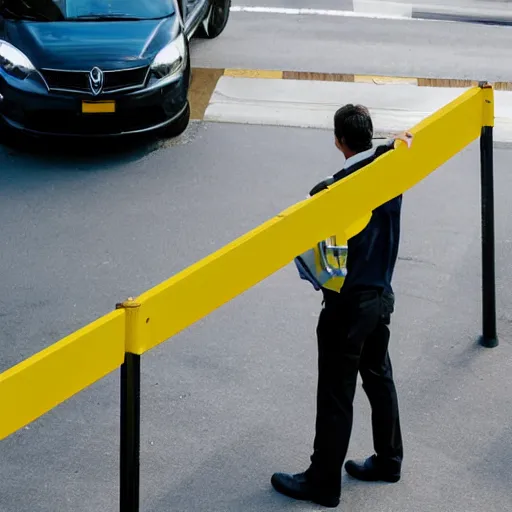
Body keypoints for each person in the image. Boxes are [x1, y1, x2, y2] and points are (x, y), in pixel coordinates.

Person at [271, 104, 412, 508]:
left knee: (336, 392)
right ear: (369, 135)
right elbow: (402, 144)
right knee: (378, 377)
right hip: (381, 297)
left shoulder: (333, 190)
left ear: (338, 140)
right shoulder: (392, 169)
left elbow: (311, 248)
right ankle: (389, 459)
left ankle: (323, 481)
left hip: (347, 306)